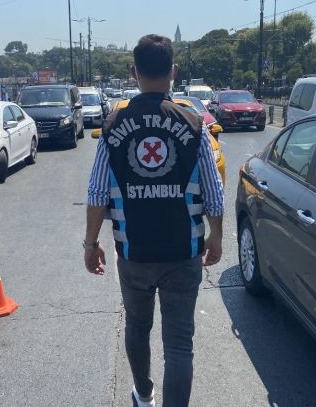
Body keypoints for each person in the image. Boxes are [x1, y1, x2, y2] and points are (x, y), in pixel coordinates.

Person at [84, 34, 224, 407]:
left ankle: (143, 396)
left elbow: (97, 193)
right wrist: (217, 236)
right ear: (173, 72)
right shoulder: (193, 124)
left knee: (137, 326)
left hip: (134, 254)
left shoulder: (113, 124)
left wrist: (91, 243)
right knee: (179, 344)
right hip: (184, 252)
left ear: (133, 72)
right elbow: (213, 192)